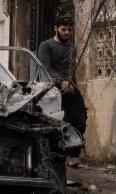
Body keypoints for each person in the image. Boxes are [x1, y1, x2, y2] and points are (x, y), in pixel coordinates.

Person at [37, 18, 88, 167]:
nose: (67, 33)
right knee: (57, 123)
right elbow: (46, 67)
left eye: (69, 30)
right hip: (53, 91)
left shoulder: (72, 48)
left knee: (80, 121)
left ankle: (74, 158)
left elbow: (71, 70)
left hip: (71, 89)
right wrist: (61, 81)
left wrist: (71, 84)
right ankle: (54, 158)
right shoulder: (46, 45)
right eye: (63, 29)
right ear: (55, 28)